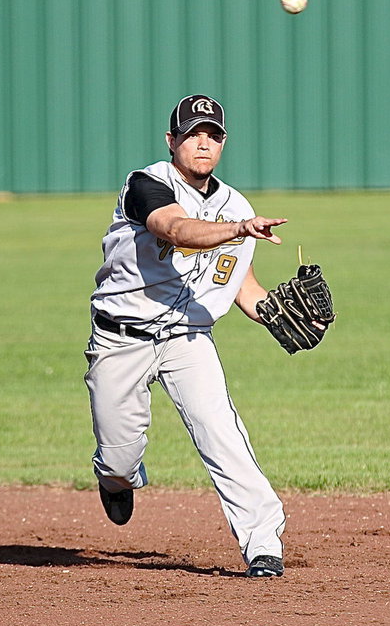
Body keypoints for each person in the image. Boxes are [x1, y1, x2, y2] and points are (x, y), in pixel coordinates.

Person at [84, 94, 288, 578]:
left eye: (212, 135)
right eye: (193, 133)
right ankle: (117, 480)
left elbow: (241, 283)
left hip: (187, 339)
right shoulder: (146, 183)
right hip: (121, 337)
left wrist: (276, 313)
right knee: (118, 456)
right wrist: (237, 228)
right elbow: (174, 228)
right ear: (171, 140)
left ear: (223, 144)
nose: (203, 143)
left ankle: (263, 543)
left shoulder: (235, 204)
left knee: (223, 435)